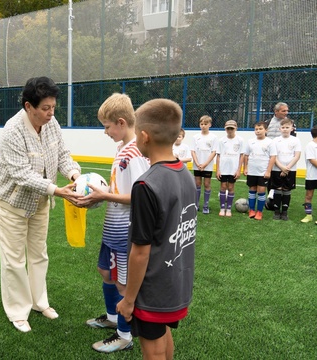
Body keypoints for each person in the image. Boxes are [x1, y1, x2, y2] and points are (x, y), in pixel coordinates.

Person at [0, 76, 81, 333]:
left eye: (53, 107)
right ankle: (18, 310)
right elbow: (21, 174)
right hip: (12, 203)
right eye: (45, 108)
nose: (51, 114)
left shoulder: (52, 125)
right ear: (29, 106)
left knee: (39, 253)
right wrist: (57, 190)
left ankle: (39, 302)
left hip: (41, 202)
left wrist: (75, 175)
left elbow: (62, 155)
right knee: (14, 258)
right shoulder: (12, 130)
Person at [116, 98, 197, 360]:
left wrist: (128, 300)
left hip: (152, 288)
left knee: (152, 349)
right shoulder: (184, 173)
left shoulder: (146, 185)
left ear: (143, 136)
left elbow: (140, 252)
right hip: (177, 285)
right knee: (162, 335)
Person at [77, 93, 149, 353]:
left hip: (125, 231)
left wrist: (103, 195)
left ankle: (124, 336)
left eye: (106, 126)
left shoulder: (135, 153)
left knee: (122, 283)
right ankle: (112, 317)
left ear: (120, 122)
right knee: (105, 272)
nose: (105, 132)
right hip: (112, 228)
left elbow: (142, 195)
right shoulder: (122, 150)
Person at [243, 121, 277, 221]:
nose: (258, 131)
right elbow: (246, 155)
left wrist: (268, 171)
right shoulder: (250, 142)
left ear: (266, 130)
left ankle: (259, 211)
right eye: (256, 129)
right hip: (252, 171)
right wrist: (245, 168)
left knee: (261, 191)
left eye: (260, 129)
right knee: (252, 190)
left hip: (263, 171)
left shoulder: (270, 142)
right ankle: (252, 210)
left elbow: (273, 157)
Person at [270, 118, 301, 220]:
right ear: (279, 128)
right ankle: (276, 212)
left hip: (290, 169)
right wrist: (282, 168)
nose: (285, 129)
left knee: (287, 189)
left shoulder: (295, 140)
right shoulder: (275, 140)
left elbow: (296, 156)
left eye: (287, 127)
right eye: (283, 127)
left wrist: (287, 168)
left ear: (291, 128)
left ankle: (284, 212)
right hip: (277, 169)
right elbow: (274, 156)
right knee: (278, 189)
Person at [215, 120, 245, 217]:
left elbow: (241, 156)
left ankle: (229, 209)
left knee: (231, 187)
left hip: (233, 169)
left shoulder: (240, 140)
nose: (230, 130)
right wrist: (218, 169)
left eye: (232, 128)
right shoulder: (221, 141)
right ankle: (222, 208)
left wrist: (239, 170)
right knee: (223, 186)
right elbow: (218, 155)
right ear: (225, 128)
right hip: (223, 168)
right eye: (228, 128)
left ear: (236, 128)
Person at [191, 115, 217, 214]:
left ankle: (206, 205)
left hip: (208, 166)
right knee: (197, 184)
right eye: (201, 124)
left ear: (210, 125)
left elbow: (213, 152)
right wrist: (197, 163)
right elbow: (193, 151)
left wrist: (205, 164)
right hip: (197, 165)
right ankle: (196, 204)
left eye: (205, 124)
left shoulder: (213, 137)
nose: (203, 126)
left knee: (207, 184)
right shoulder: (195, 137)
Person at [301, 126, 317, 223]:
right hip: (312, 175)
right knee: (309, 195)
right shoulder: (310, 145)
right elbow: (312, 160)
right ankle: (308, 215)